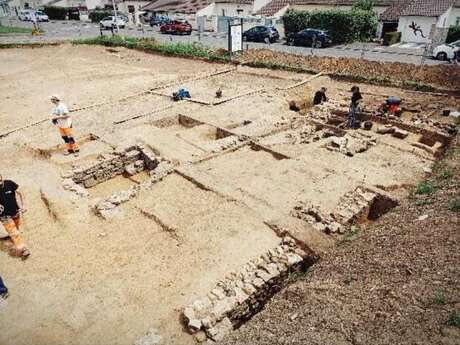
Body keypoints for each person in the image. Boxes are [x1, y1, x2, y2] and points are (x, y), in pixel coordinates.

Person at [0, 174, 30, 259]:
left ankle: (13, 239)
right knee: (14, 232)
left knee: (16, 229)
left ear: (1, 177)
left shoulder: (9, 183)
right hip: (4, 216)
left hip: (15, 212)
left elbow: (21, 193)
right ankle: (23, 249)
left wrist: (24, 205)